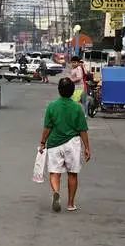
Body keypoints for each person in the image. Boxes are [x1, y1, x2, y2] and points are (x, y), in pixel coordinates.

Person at [39, 77, 91, 212]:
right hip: (72, 143)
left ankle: (56, 192)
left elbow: (47, 128)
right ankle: (70, 203)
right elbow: (82, 130)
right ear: (73, 91)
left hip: (55, 143)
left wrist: (43, 142)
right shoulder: (77, 108)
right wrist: (87, 148)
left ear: (59, 91)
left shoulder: (52, 106)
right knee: (73, 173)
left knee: (54, 172)